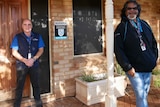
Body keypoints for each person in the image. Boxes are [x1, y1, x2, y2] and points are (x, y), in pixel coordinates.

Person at [114, 1, 158, 107]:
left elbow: (153, 43)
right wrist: (128, 67)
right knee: (141, 96)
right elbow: (118, 49)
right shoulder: (122, 28)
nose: (132, 11)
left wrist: (154, 58)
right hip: (134, 70)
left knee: (144, 94)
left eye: (134, 8)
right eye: (129, 9)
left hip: (148, 67)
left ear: (138, 10)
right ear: (125, 11)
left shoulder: (144, 24)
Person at [10, 19, 45, 107]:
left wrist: (33, 59)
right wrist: (25, 60)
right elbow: (14, 52)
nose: (27, 26)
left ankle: (39, 105)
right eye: (25, 24)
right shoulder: (17, 37)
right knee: (19, 87)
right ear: (22, 26)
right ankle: (16, 105)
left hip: (34, 64)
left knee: (36, 86)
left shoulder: (37, 36)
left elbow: (41, 49)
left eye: (29, 24)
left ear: (32, 26)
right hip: (22, 65)